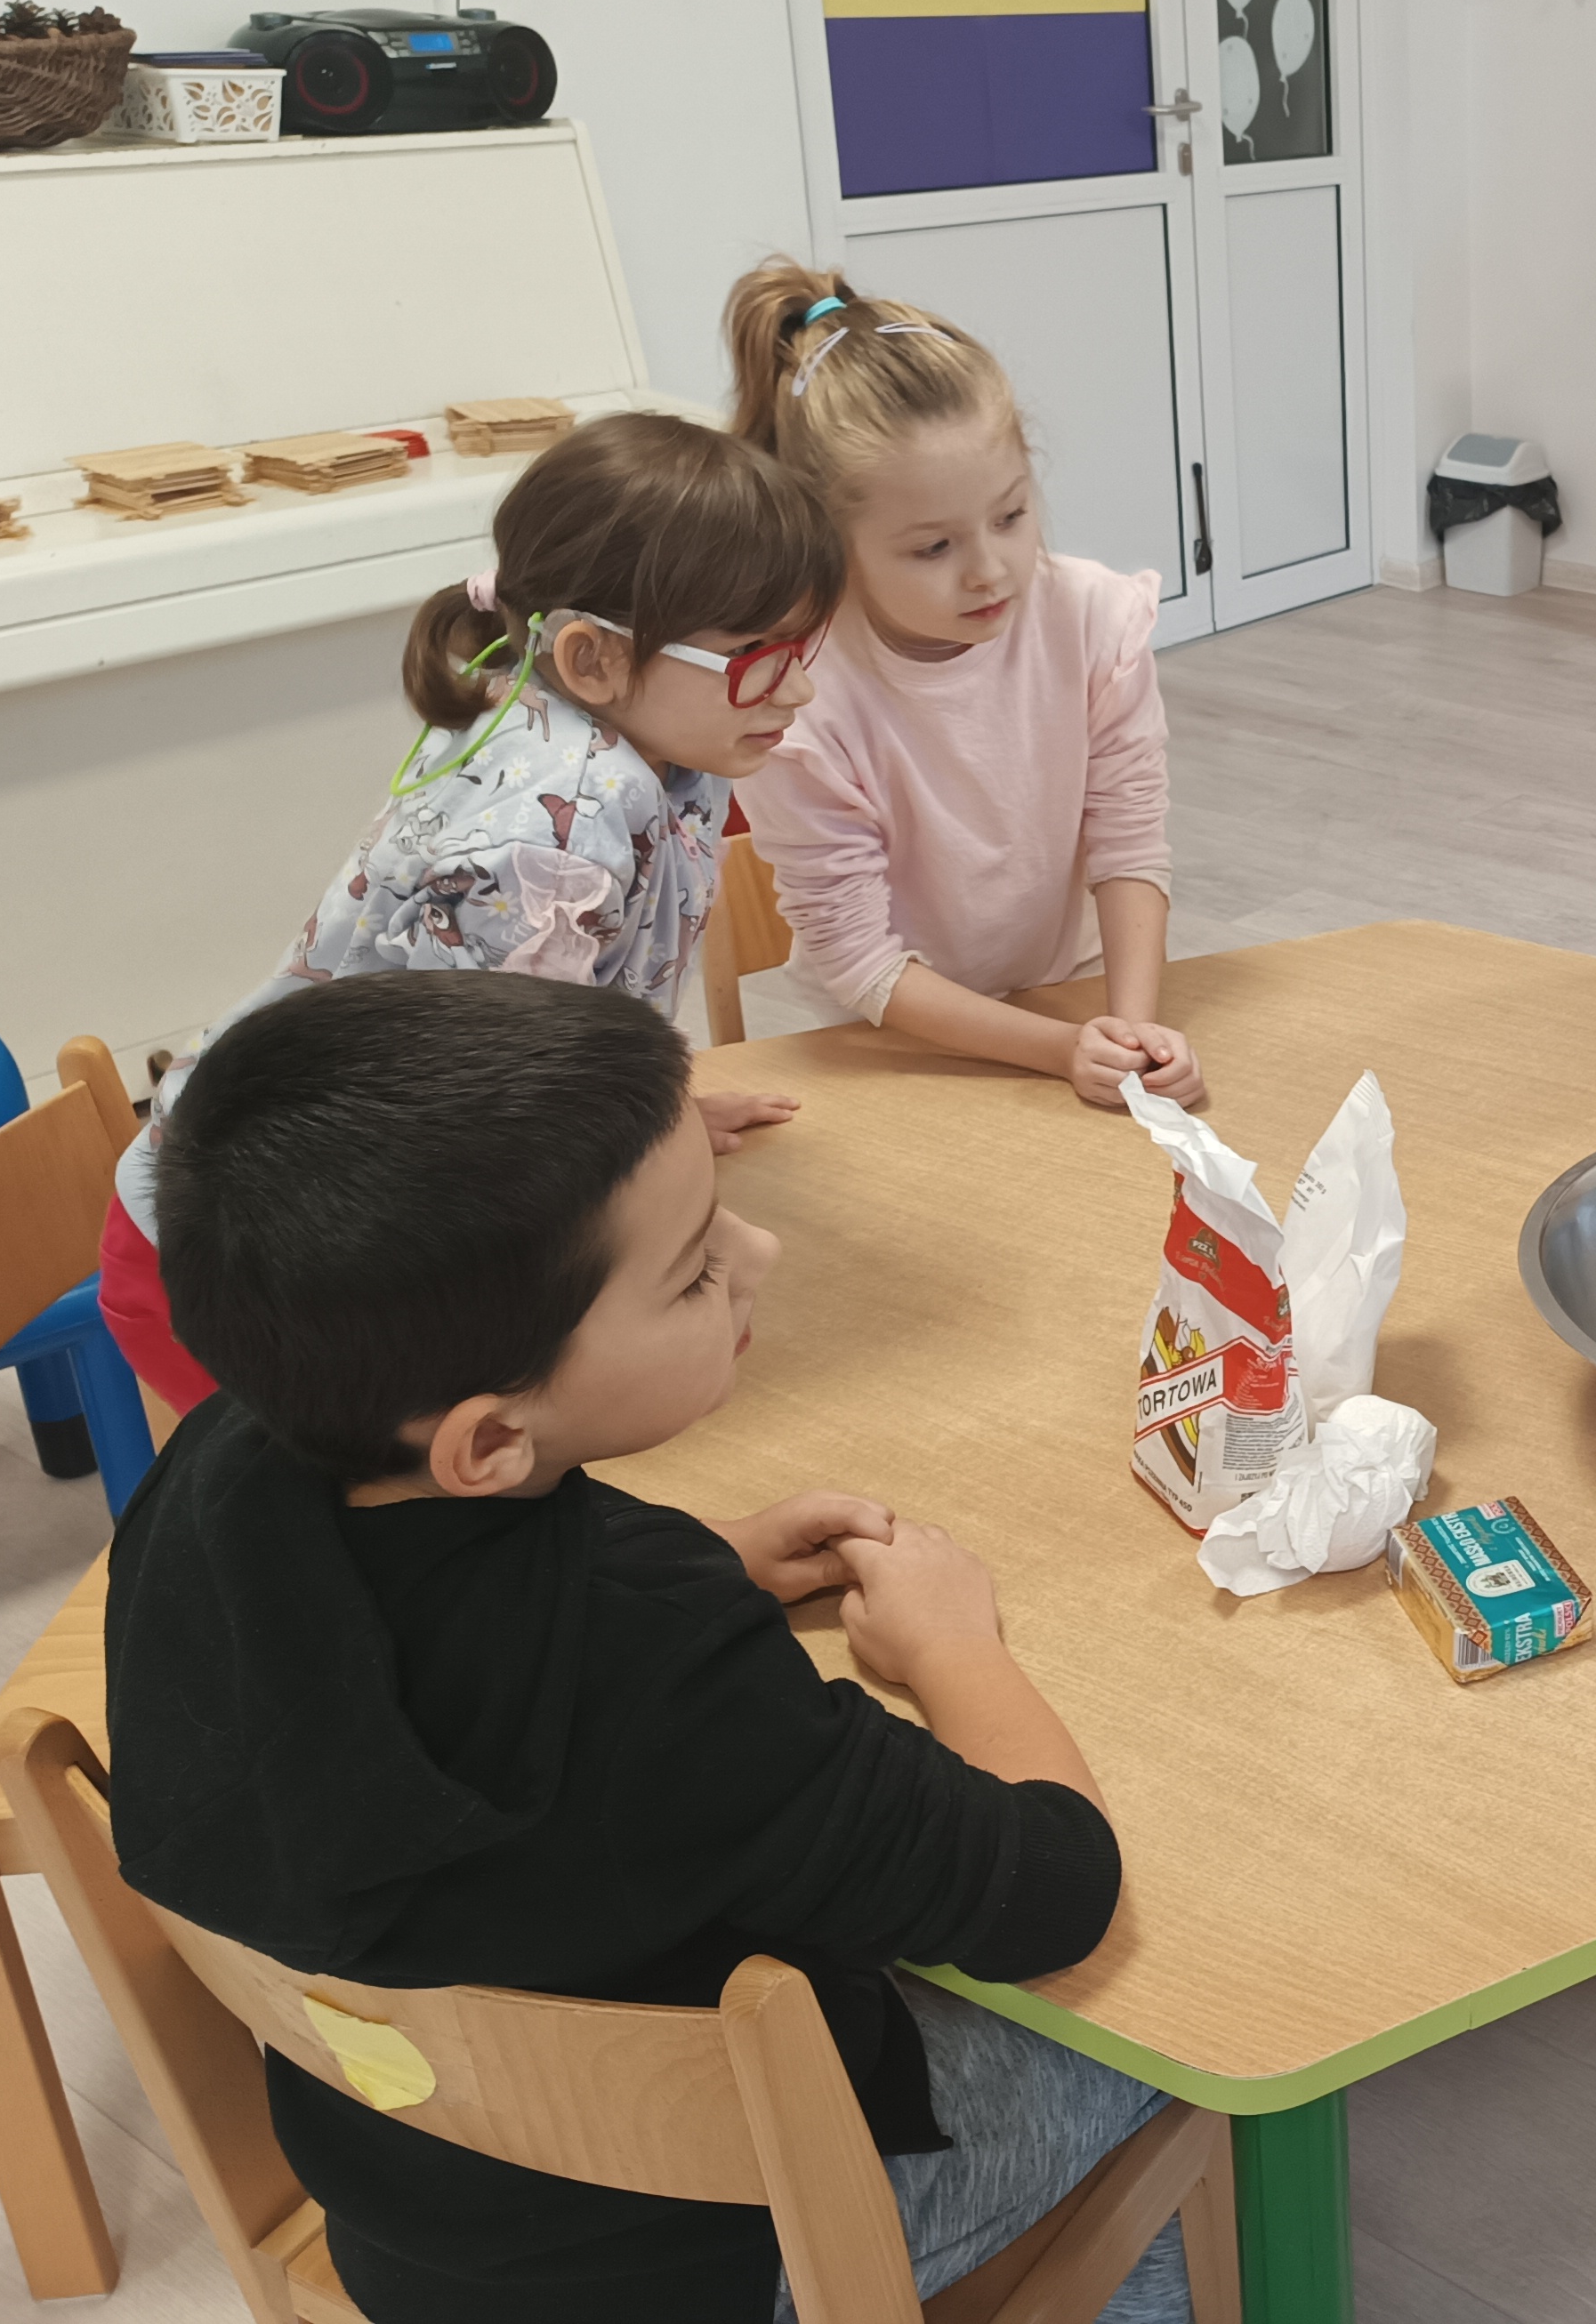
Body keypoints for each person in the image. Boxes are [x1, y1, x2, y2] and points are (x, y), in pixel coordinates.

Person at [104, 969, 1191, 2323]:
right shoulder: (666, 1670)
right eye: (692, 1273)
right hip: (710, 2254)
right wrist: (955, 1644)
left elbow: (402, 1639)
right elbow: (1051, 1892)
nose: (760, 1255)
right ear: (492, 1441)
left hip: (405, 2209)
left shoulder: (218, 1469)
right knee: (1182, 2048)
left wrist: (713, 1550)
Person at [94, 414, 846, 1415]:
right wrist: (649, 1182)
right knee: (395, 1504)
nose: (799, 686)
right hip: (245, 1262)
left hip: (358, 1208)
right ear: (591, 660)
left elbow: (556, 1048)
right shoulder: (547, 840)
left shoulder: (664, 739)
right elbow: (496, 1127)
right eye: (755, 654)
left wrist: (645, 1122)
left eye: (802, 644)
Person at [726, 261, 1204, 1112]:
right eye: (933, 548)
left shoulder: (1091, 618)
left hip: (1069, 993)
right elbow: (859, 960)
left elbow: (1128, 840)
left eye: (1010, 516)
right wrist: (1060, 1051)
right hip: (892, 1040)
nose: (990, 570)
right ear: (832, 541)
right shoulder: (798, 699)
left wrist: (1132, 1034)